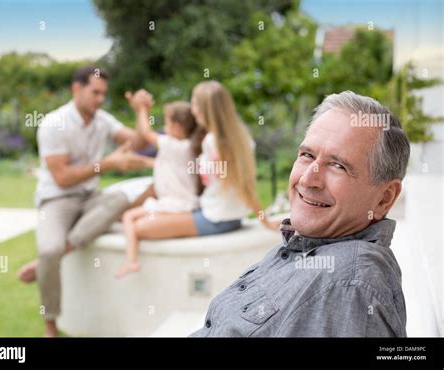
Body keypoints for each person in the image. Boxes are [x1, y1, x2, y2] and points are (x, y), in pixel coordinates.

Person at [189, 91, 410, 337]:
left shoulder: (351, 285)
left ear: (385, 197)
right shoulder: (312, 246)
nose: (307, 180)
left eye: (338, 165)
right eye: (307, 155)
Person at [17, 66, 154, 337]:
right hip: (56, 199)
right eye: (95, 92)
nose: (100, 99)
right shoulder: (53, 123)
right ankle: (50, 325)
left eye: (103, 93)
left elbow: (140, 142)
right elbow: (62, 177)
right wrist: (106, 164)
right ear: (76, 89)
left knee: (120, 199)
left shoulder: (102, 120)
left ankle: (47, 262)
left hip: (90, 198)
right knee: (48, 249)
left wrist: (141, 110)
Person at [121, 80, 279, 244]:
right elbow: (247, 183)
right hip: (227, 216)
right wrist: (264, 220)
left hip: (215, 218)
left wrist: (265, 222)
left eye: (195, 103)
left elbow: (243, 184)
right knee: (138, 218)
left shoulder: (213, 142)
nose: (192, 109)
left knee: (139, 227)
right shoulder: (240, 138)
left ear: (205, 108)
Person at [115, 94, 200, 277]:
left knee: (128, 217)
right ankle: (132, 260)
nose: (164, 128)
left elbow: (146, 133)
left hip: (175, 203)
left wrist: (142, 109)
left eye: (167, 123)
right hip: (181, 202)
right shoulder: (185, 147)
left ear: (177, 127)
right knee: (132, 217)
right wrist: (142, 161)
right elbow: (164, 166)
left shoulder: (173, 145)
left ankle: (131, 261)